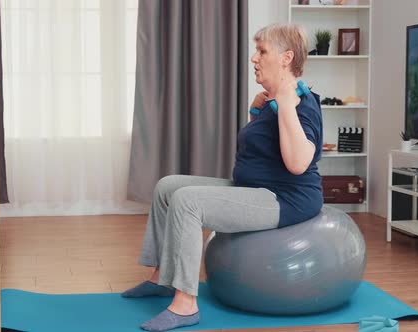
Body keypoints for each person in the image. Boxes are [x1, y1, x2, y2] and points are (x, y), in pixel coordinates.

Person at [122, 23, 323, 332]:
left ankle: (186, 304)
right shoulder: (272, 100)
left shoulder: (300, 103)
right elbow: (261, 149)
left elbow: (298, 164)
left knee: (188, 201)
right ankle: (161, 278)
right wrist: (258, 112)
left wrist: (283, 104)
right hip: (255, 189)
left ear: (286, 58)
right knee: (167, 187)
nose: (254, 58)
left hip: (285, 199)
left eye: (262, 51)